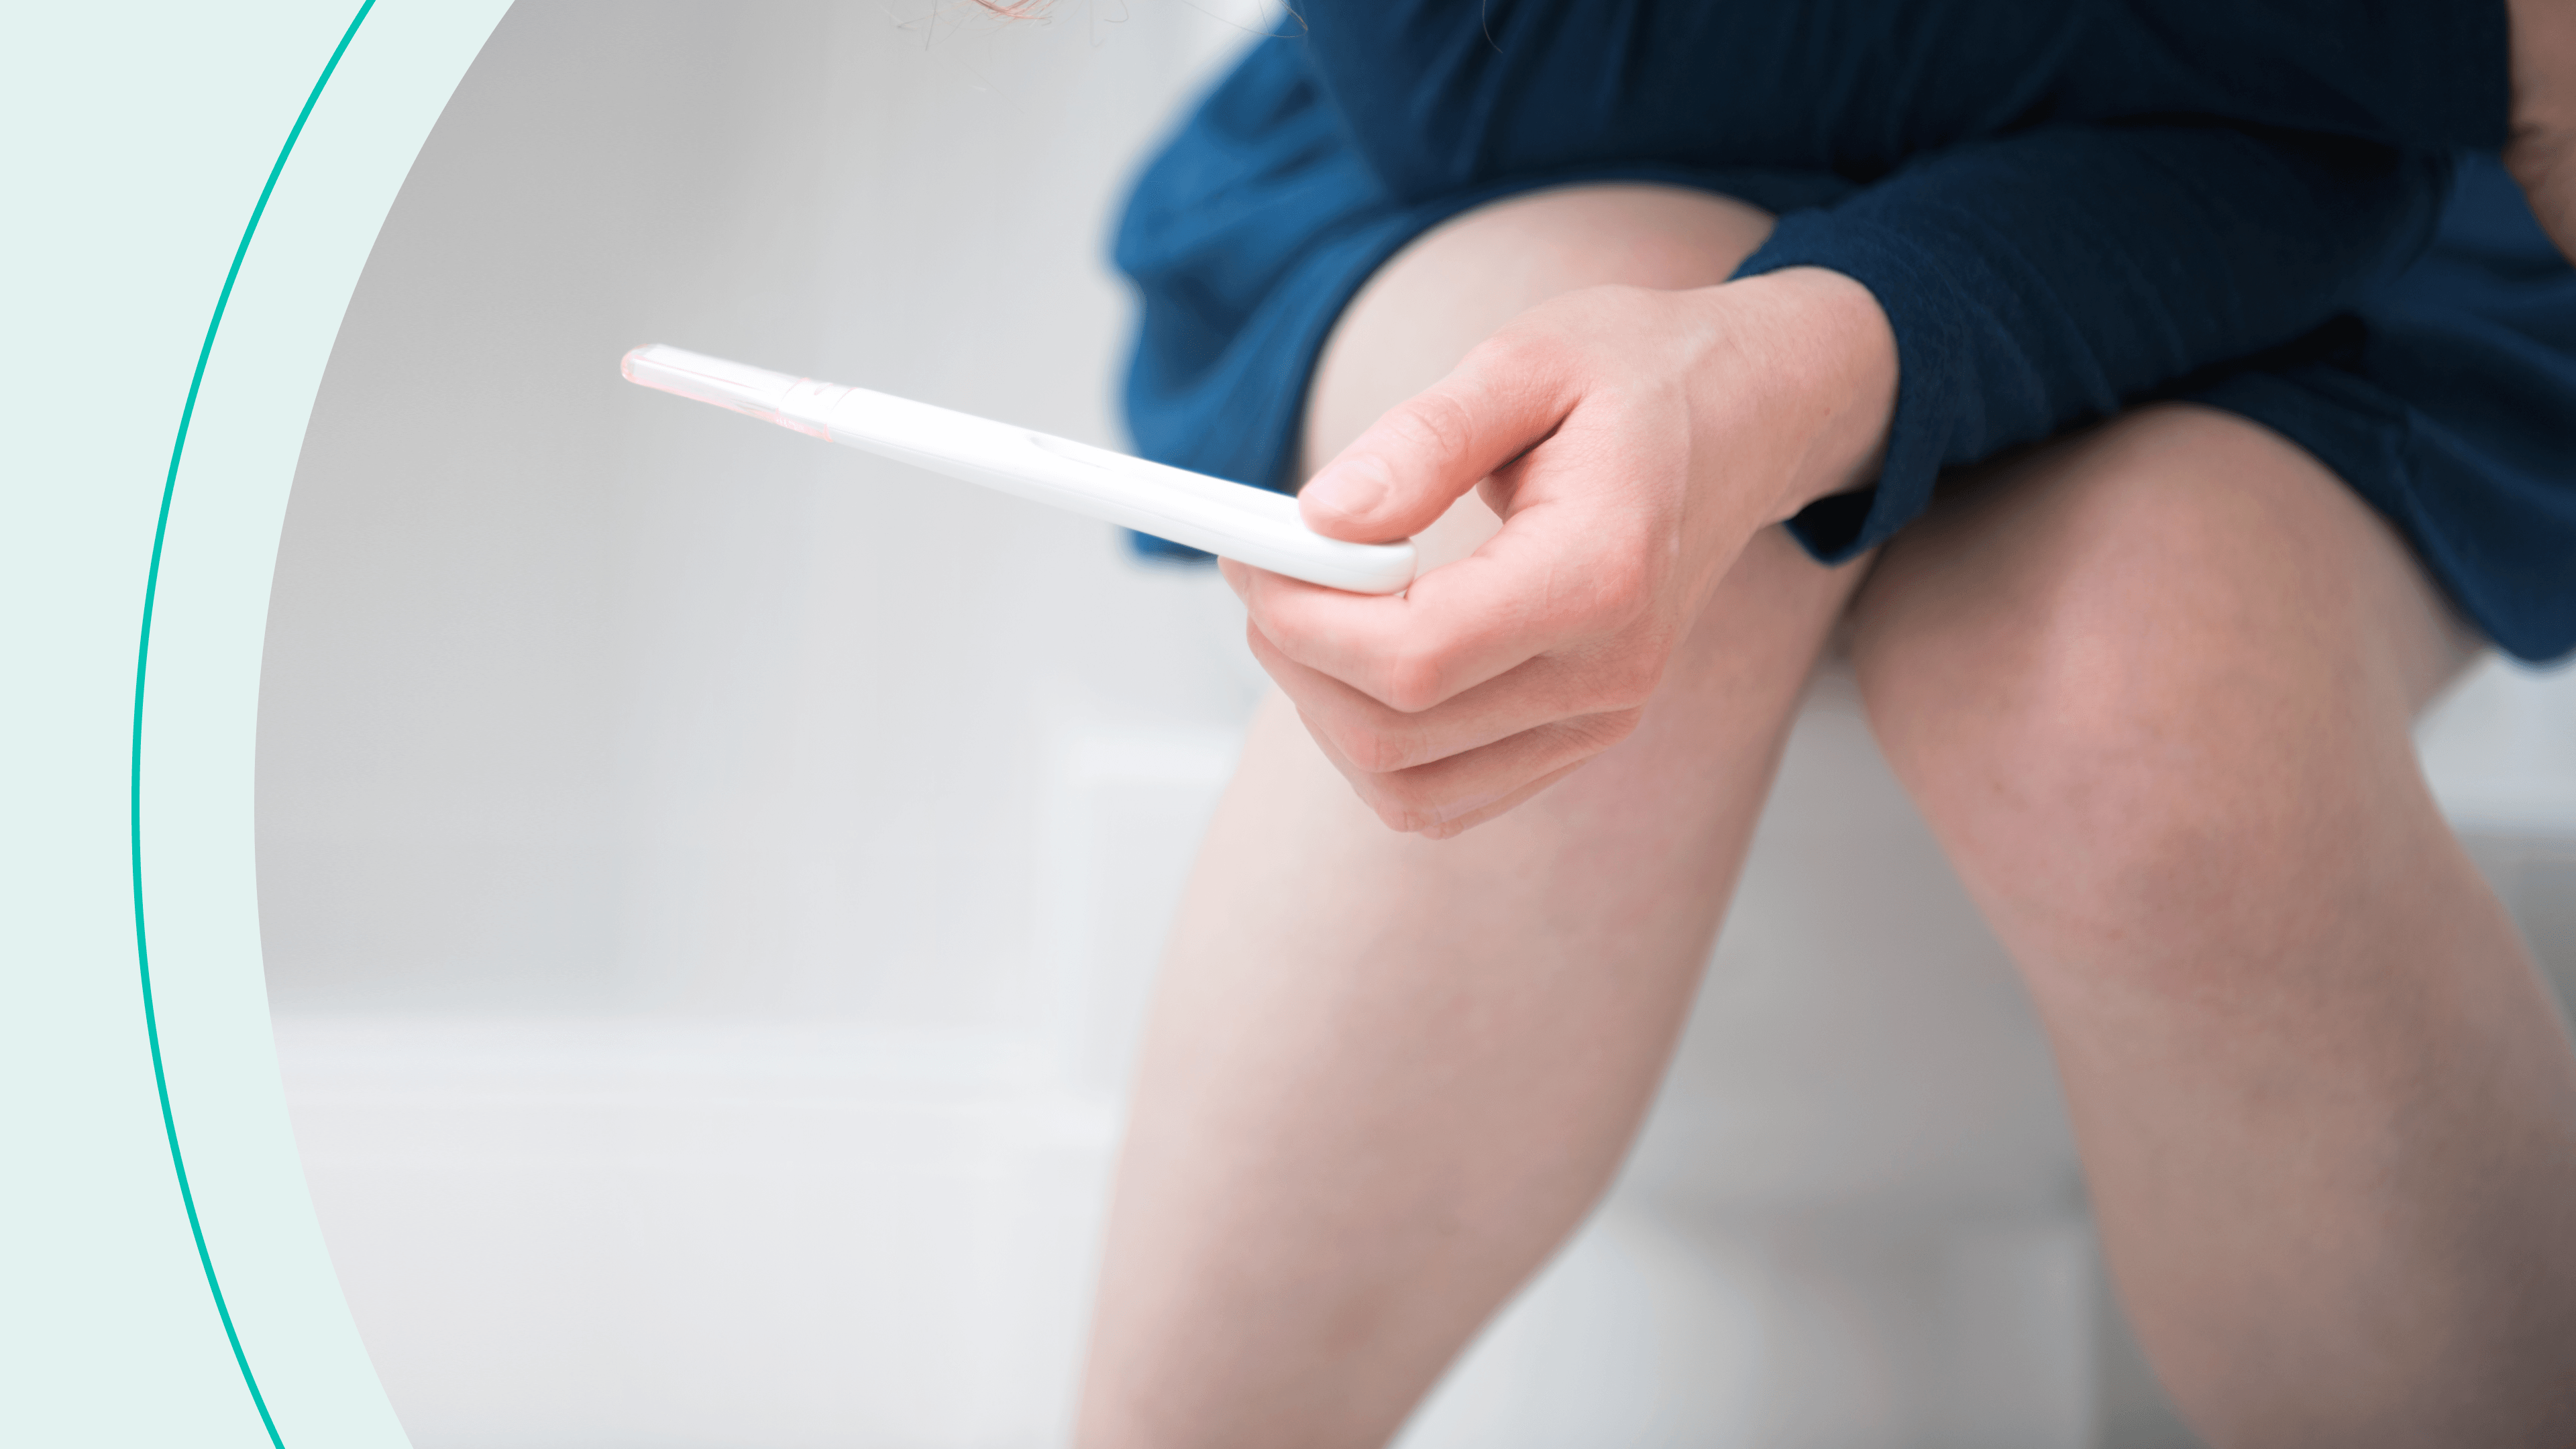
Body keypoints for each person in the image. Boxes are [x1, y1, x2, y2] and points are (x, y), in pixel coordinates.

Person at [1074, 4, 2576, 1444]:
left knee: (2149, 715)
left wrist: (1807, 366)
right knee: (1544, 524)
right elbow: (1490, 65)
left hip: (2346, 170)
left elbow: (2385, 89)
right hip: (1580, 117)